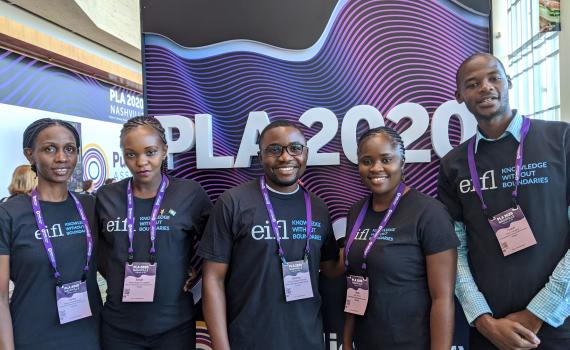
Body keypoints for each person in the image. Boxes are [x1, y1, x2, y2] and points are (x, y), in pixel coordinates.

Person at [438, 53, 570, 349]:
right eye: (472, 84)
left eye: (493, 78)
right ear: (459, 95)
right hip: (490, 333)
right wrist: (483, 321)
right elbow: (454, 252)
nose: (485, 87)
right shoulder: (453, 165)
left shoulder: (561, 140)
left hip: (559, 325)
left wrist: (538, 313)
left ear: (509, 82)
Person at [199, 120, 343, 350]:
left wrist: (363, 246)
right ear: (260, 155)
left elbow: (331, 268)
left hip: (308, 341)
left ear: (306, 153)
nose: (286, 157)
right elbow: (212, 279)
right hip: (249, 340)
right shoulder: (233, 202)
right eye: (274, 149)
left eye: (295, 148)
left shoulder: (318, 207)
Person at [96, 116, 211, 349]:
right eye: (131, 154)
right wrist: (117, 275)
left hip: (174, 325)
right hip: (118, 326)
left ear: (165, 151)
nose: (141, 162)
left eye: (150, 152)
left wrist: (195, 272)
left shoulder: (190, 194)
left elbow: (216, 246)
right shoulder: (106, 196)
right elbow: (98, 250)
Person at [342, 127, 458, 350]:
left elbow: (442, 299)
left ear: (402, 163)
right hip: (366, 342)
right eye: (367, 161)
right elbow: (355, 283)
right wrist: (347, 341)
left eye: (386, 159)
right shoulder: (356, 213)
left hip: (412, 342)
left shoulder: (429, 212)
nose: (376, 168)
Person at [0, 118, 102, 349]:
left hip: (89, 335)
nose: (61, 158)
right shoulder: (8, 214)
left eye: (69, 149)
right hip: (32, 336)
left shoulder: (90, 206)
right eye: (49, 149)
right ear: (30, 154)